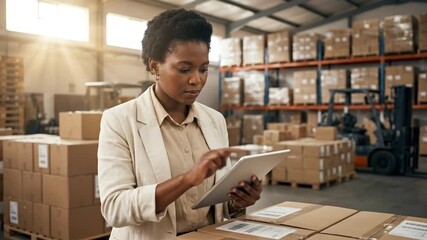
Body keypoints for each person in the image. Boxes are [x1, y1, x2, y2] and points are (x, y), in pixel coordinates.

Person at [97, 8, 262, 239]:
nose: (197, 80)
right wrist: (186, 180)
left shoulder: (215, 121)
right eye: (184, 69)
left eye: (203, 69)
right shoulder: (120, 120)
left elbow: (216, 208)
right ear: (154, 66)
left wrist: (236, 202)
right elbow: (115, 208)